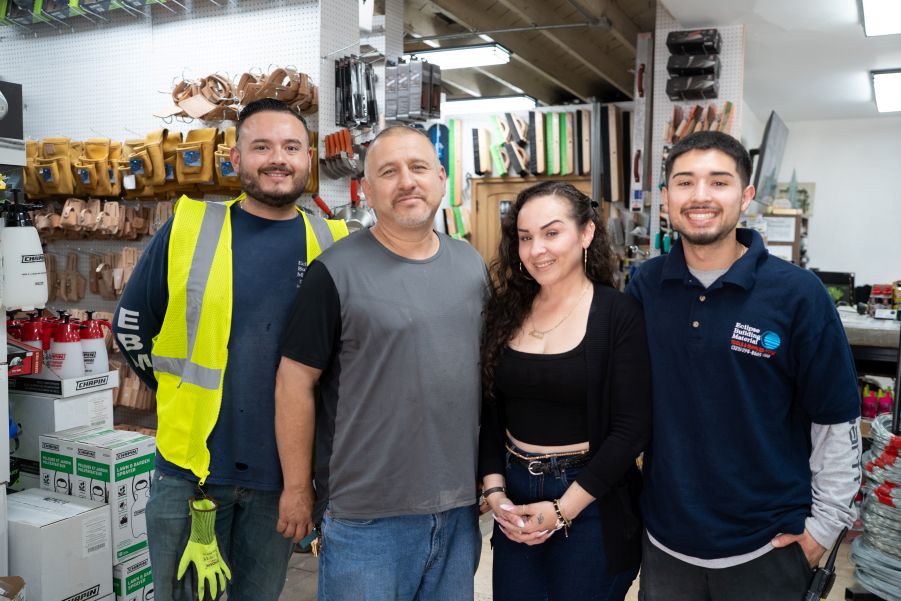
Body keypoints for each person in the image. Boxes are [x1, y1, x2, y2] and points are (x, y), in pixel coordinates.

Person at [113, 98, 348, 601]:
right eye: (260, 146)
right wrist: (176, 388)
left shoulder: (335, 243)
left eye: (290, 147)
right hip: (191, 474)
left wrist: (306, 483)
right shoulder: (190, 228)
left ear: (308, 159)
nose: (277, 158)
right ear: (235, 159)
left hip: (283, 481)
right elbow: (131, 327)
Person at [627, 130, 861, 600]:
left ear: (746, 195)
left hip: (767, 550)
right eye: (684, 182)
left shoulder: (798, 294)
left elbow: (835, 420)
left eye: (718, 182)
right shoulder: (643, 286)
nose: (700, 197)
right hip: (666, 545)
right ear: (667, 196)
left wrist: (823, 531)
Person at [274, 125, 487, 601]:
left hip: (457, 510)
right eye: (388, 172)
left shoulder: (471, 266)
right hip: (365, 517)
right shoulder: (333, 272)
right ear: (366, 190)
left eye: (418, 168)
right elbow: (294, 383)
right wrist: (296, 488)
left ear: (441, 177)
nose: (406, 181)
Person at [479, 181, 652, 601]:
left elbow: (633, 428)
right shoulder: (508, 310)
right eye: (525, 237)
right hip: (516, 494)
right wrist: (496, 491)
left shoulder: (618, 314)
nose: (537, 249)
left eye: (552, 233)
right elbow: (489, 410)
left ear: (586, 233)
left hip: (592, 498)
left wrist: (561, 510)